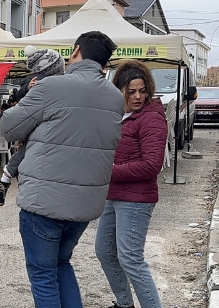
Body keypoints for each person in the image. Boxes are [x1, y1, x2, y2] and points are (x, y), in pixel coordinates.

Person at [0, 31, 125, 307]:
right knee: (61, 264)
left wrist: (27, 97)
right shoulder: (115, 97)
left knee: (43, 274)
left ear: (76, 50)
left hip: (44, 201)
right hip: (85, 205)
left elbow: (9, 128)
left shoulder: (52, 87)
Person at [95, 61, 167, 308]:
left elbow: (151, 165)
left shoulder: (151, 118)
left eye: (142, 90)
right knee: (105, 252)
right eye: (131, 91)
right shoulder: (118, 116)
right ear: (120, 91)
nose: (138, 96)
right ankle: (124, 303)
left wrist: (110, 171)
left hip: (136, 200)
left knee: (131, 259)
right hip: (112, 194)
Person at [0, 46, 65, 206]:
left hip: (45, 128)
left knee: (29, 149)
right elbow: (17, 99)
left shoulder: (61, 83)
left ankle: (5, 178)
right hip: (35, 125)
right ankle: (6, 179)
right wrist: (28, 89)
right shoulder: (34, 80)